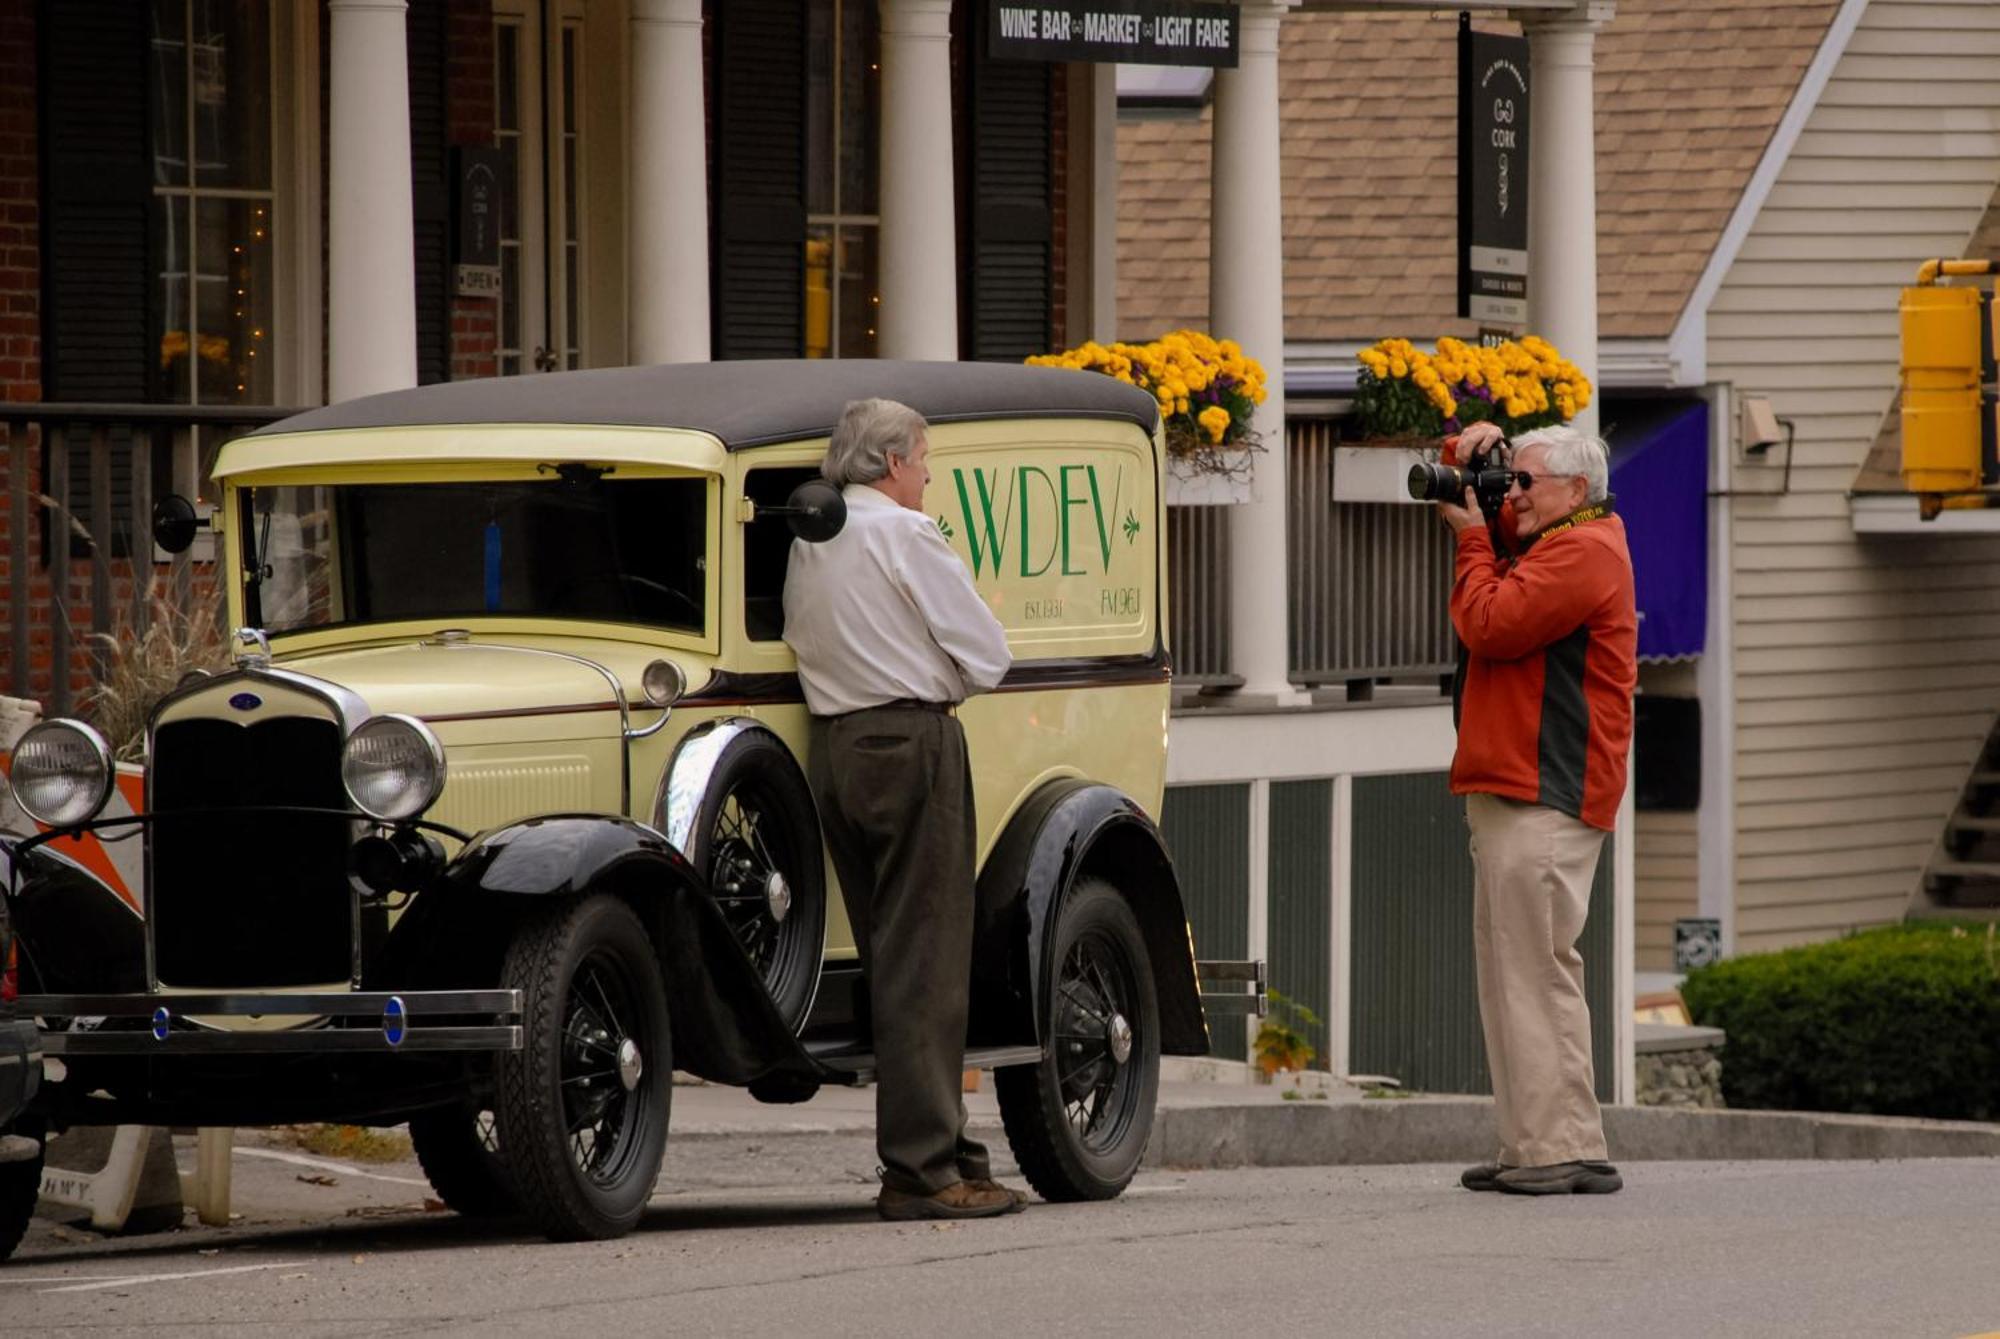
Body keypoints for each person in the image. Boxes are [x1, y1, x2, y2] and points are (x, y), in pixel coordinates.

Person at [782, 397, 1026, 1221]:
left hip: (838, 748)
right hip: (912, 742)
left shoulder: (813, 540)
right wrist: (944, 674)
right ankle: (924, 1168)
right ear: (892, 463)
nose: (927, 476)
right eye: (923, 460)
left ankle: (949, 1151)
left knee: (894, 955)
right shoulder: (904, 533)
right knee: (928, 963)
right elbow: (989, 655)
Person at [1435, 419, 1637, 1196]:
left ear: (1575, 491)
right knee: (1511, 970)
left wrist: (1471, 541)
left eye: (1525, 484)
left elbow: (1490, 622)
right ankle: (1536, 1144)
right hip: (1517, 782)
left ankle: (1560, 1147)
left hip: (1546, 787)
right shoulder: (1558, 538)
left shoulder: (1585, 549)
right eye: (1511, 480)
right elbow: (1470, 488)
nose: (1510, 495)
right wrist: (1474, 451)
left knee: (1537, 969)